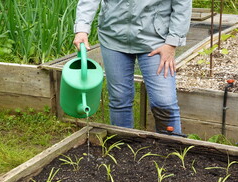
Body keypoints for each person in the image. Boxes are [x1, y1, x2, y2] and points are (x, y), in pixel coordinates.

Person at [73, 0, 192, 135]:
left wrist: (172, 42)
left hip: (156, 40)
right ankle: (122, 148)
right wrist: (82, 28)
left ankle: (172, 152)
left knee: (164, 102)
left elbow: (182, 3)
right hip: (113, 36)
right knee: (119, 99)